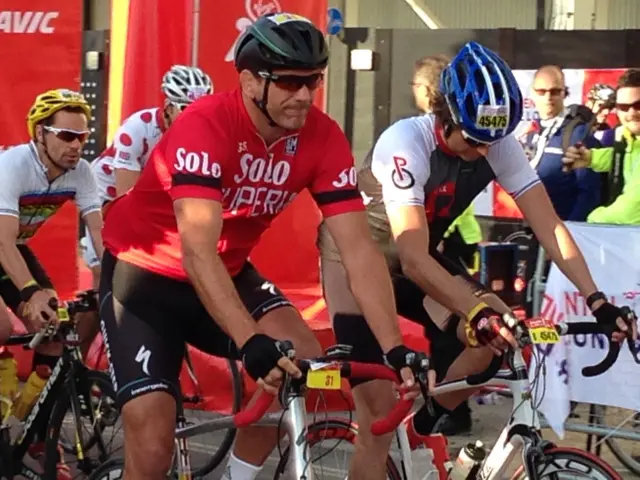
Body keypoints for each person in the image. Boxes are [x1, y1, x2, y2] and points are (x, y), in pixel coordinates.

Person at [98, 13, 428, 480]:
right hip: (146, 277)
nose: (304, 95)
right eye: (290, 82)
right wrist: (250, 340)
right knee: (153, 445)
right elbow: (197, 252)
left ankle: (239, 474)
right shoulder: (204, 126)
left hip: (226, 271)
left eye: (312, 80)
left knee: (302, 361)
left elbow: (358, 250)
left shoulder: (322, 136)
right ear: (251, 81)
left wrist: (395, 348)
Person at [318, 41, 637, 477]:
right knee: (377, 419)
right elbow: (411, 257)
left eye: (493, 140)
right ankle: (394, 434)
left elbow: (551, 227)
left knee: (499, 338)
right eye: (472, 139)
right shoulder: (407, 141)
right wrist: (477, 310)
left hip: (417, 259)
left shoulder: (495, 142)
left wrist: (597, 299)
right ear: (445, 117)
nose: (483, 151)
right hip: (353, 261)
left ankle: (423, 426)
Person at [0, 88, 103, 477]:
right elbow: (3, 240)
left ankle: (36, 434)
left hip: (14, 246)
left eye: (82, 137)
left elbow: (99, 233)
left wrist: (113, 279)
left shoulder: (82, 172)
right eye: (66, 136)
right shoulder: (13, 165)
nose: (76, 146)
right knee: (4, 325)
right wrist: (28, 291)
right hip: (2, 240)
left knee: (55, 331)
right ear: (39, 134)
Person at [81, 65, 213, 287]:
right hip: (107, 194)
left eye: (201, 108)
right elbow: (127, 199)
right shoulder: (137, 129)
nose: (195, 116)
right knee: (107, 269)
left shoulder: (201, 133)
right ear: (168, 107)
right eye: (187, 108)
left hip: (153, 193)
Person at [412, 53, 481, 435]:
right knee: (452, 322)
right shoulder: (412, 137)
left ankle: (445, 413)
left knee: (470, 327)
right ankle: (442, 414)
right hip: (415, 251)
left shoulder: (463, 137)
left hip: (448, 241)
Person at [563, 68, 640, 225]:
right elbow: (629, 156)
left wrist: (591, 221)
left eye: (638, 105)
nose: (631, 113)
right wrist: (591, 158)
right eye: (624, 107)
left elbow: (630, 212)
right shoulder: (628, 137)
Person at [529, 65, 601, 222]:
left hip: (566, 230)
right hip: (537, 227)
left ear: (564, 93)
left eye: (555, 91)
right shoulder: (532, 132)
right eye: (542, 91)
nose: (548, 97)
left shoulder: (577, 133)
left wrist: (571, 228)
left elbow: (590, 192)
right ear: (532, 93)